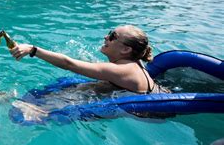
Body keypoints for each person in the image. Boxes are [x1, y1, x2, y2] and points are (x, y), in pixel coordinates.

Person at [10, 25, 170, 95]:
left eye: (113, 36)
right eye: (109, 32)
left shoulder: (121, 70)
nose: (105, 37)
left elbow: (68, 64)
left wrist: (33, 50)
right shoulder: (134, 62)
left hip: (146, 112)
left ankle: (3, 98)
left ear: (126, 49)